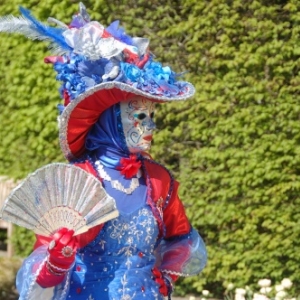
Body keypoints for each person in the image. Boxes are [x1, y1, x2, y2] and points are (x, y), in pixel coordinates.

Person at [0, 3, 207, 300]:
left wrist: (165, 276)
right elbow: (38, 281)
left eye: (152, 116)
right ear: (110, 121)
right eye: (140, 116)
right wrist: (56, 264)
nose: (151, 126)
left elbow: (181, 241)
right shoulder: (76, 181)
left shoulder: (159, 180)